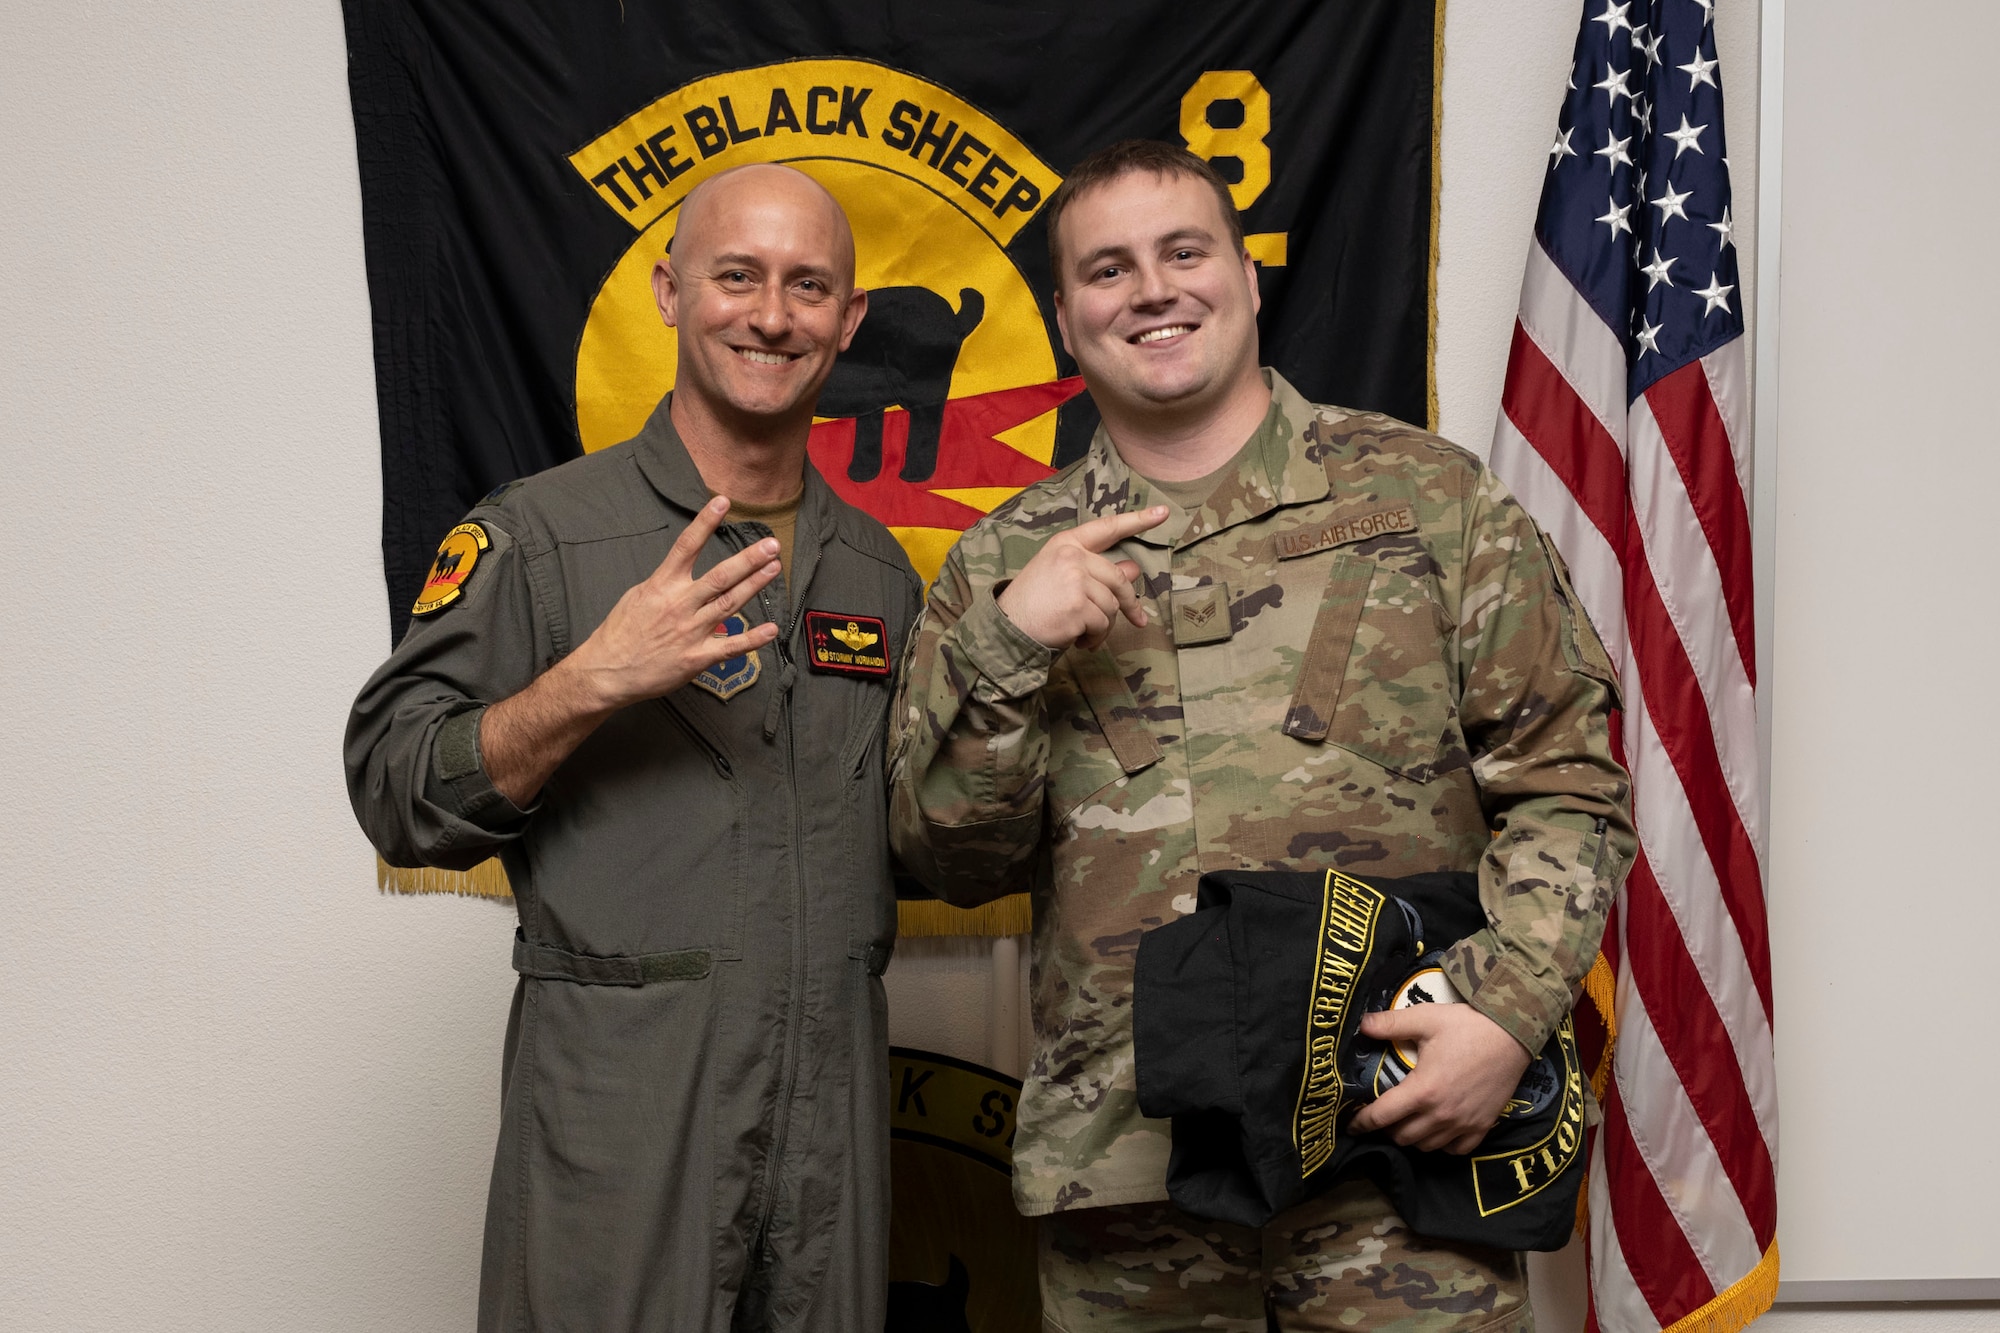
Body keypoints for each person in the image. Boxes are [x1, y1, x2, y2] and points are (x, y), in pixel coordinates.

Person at [887, 139, 1636, 1331]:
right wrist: (1011, 648)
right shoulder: (1000, 562)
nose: (1151, 289)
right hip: (1125, 1170)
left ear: (1243, 275)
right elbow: (950, 863)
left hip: (1393, 1154)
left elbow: (1569, 787)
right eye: (1107, 270)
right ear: (1066, 319)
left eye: (1183, 252)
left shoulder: (1432, 499)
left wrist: (1504, 1009)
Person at [346, 163, 922, 1333]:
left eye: (809, 285)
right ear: (668, 291)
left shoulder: (878, 573)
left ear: (848, 319)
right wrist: (588, 679)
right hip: (622, 1129)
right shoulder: (542, 537)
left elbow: (926, 835)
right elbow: (395, 789)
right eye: (737, 276)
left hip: (831, 1141)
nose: (771, 314)